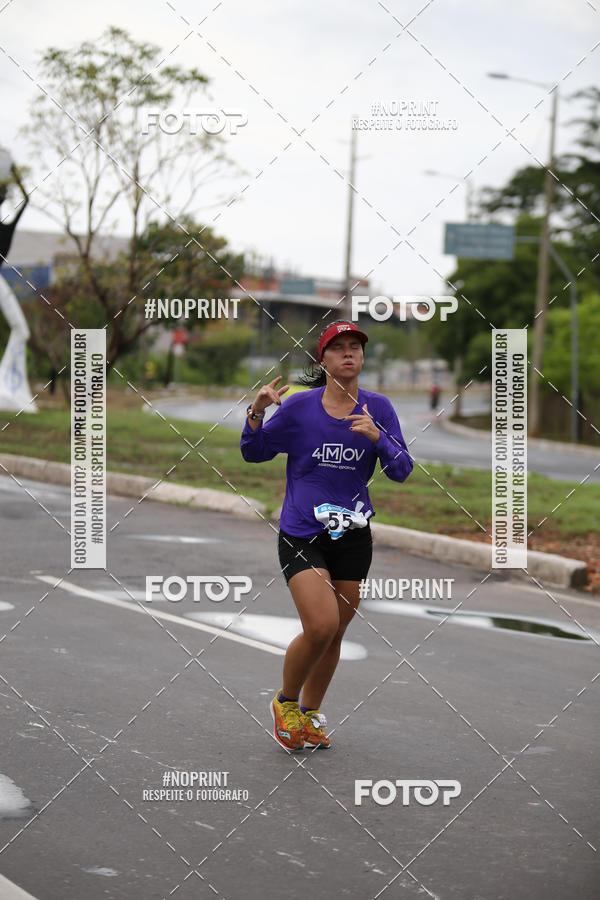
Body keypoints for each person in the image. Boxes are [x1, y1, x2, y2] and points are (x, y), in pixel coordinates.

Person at [240, 320, 413, 752]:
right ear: (324, 359)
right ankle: (286, 703)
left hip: (353, 534)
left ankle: (311, 714)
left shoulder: (378, 408)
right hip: (302, 531)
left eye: (355, 347)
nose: (349, 353)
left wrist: (380, 439)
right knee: (321, 625)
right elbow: (254, 451)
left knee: (336, 633)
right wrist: (257, 411)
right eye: (339, 348)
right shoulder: (300, 408)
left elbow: (402, 470)